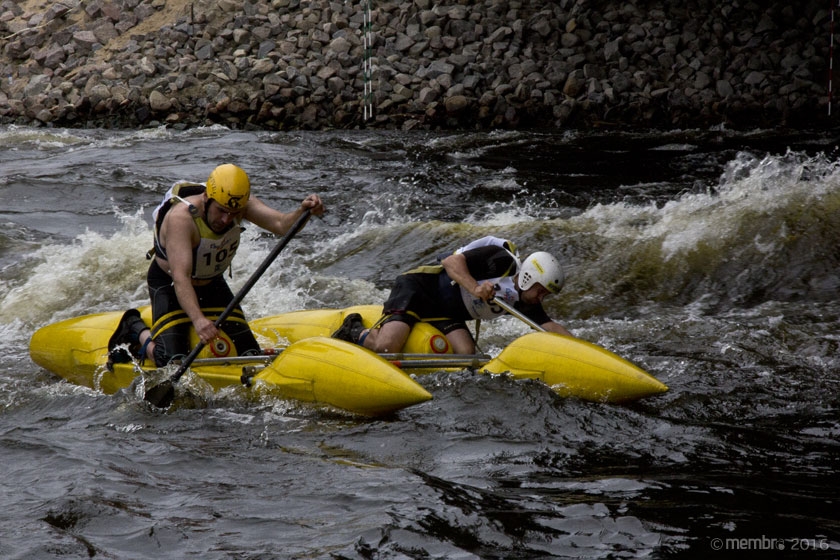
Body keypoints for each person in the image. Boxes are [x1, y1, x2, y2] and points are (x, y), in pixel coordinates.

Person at [108, 163, 325, 367]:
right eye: (221, 210)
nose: (226, 220)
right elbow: (181, 277)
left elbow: (281, 225)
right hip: (170, 284)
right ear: (206, 198)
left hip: (212, 283)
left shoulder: (240, 204)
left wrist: (303, 212)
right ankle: (134, 328)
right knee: (170, 361)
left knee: (249, 355)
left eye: (234, 214)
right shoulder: (182, 219)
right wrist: (198, 320)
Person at [332, 236, 572, 355]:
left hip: (445, 313)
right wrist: (476, 288)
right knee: (386, 347)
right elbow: (451, 262)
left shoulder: (526, 300)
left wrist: (582, 349)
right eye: (542, 290)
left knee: (468, 356)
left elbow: (550, 327)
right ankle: (353, 329)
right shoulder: (500, 261)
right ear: (529, 276)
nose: (541, 297)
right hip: (419, 290)